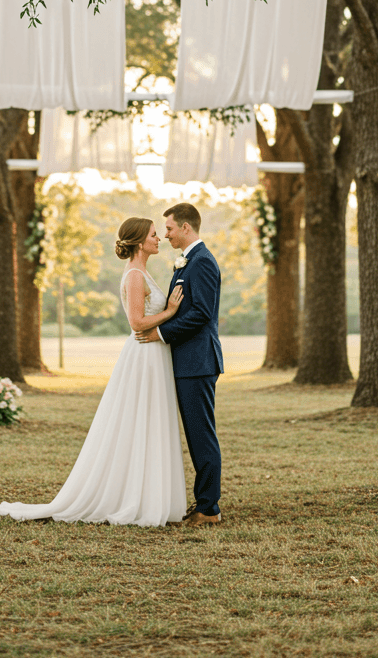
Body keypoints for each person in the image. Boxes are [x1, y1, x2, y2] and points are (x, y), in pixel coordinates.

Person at [0, 217, 187, 527]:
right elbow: (136, 322)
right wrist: (171, 312)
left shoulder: (143, 272)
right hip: (144, 355)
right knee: (140, 421)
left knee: (151, 421)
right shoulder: (135, 275)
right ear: (138, 241)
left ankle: (151, 493)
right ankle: (133, 498)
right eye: (152, 235)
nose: (158, 238)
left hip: (154, 355)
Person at [136, 202, 223, 527]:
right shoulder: (189, 262)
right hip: (188, 362)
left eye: (170, 228)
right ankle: (205, 503)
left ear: (186, 227)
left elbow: (201, 314)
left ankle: (209, 508)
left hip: (198, 362)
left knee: (201, 434)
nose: (166, 234)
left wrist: (161, 332)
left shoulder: (200, 262)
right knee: (195, 433)